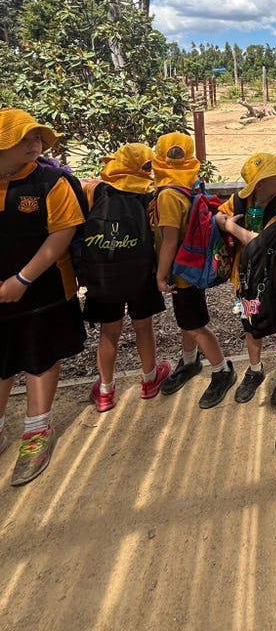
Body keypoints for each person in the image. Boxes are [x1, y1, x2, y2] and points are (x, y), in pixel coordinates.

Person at [0, 109, 87, 486]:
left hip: (44, 290)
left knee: (41, 356)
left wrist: (23, 278)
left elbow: (61, 234)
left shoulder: (51, 182)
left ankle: (37, 430)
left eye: (37, 137)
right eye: (25, 138)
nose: (35, 143)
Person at [82, 144, 170, 411]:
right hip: (140, 272)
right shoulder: (149, 196)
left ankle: (106, 391)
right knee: (143, 326)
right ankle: (150, 379)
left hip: (104, 273)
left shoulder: (97, 190)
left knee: (110, 332)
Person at [153, 132, 236, 408]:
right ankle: (189, 361)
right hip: (194, 266)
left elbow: (169, 240)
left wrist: (160, 275)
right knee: (186, 320)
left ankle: (221, 369)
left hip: (181, 271)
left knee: (196, 325)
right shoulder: (192, 183)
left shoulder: (167, 194)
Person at [216, 151, 276, 405]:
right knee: (250, 325)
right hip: (247, 282)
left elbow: (260, 241)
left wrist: (230, 227)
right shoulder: (240, 200)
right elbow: (219, 213)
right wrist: (222, 220)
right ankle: (255, 368)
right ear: (260, 183)